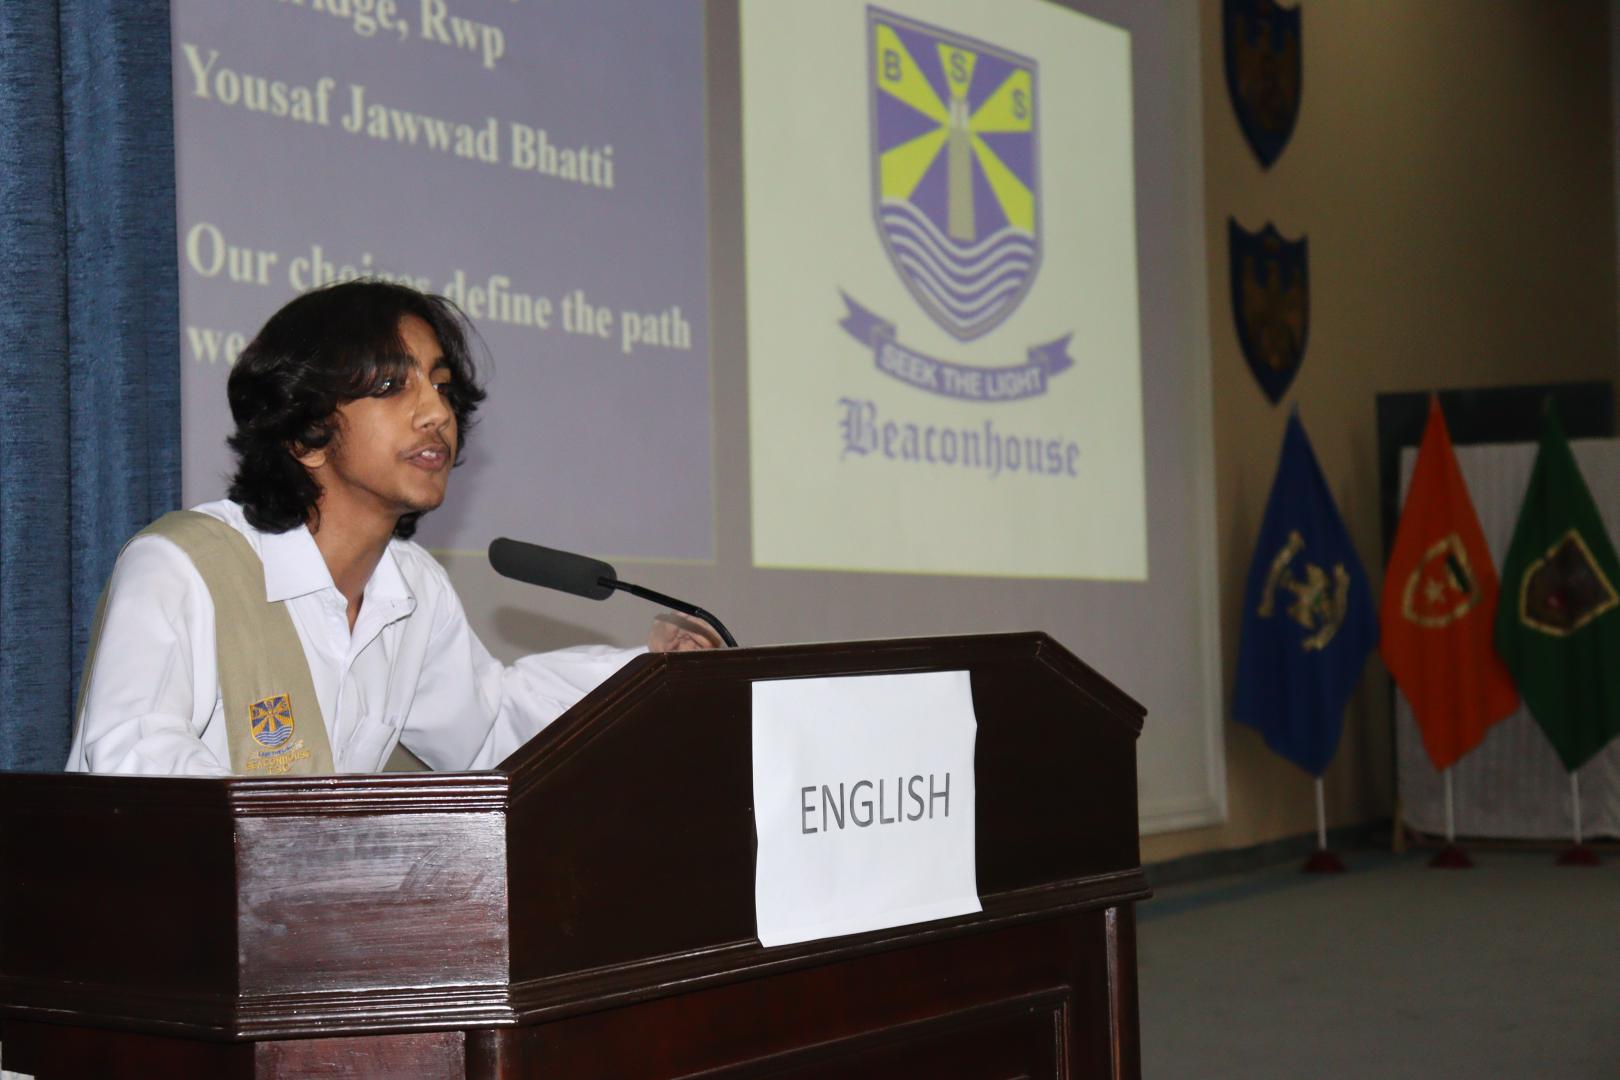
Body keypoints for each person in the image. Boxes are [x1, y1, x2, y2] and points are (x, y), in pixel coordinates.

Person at [66, 281, 714, 777]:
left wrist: (648, 679)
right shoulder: (181, 568)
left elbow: (488, 726)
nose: (436, 412)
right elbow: (132, 763)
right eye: (390, 387)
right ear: (305, 433)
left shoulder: (412, 587)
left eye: (441, 386)